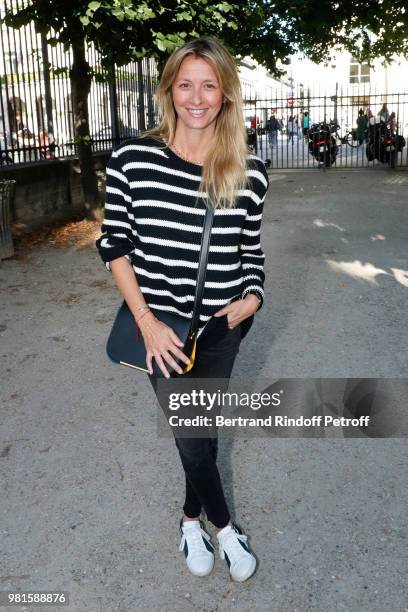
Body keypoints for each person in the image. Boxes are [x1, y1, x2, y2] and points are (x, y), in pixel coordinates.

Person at [96, 36, 269, 583]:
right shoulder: (133, 159)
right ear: (169, 89)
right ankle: (222, 526)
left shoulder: (250, 169)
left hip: (224, 327)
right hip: (161, 330)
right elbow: (114, 244)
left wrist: (252, 301)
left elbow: (252, 253)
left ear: (226, 93)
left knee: (202, 428)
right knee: (192, 432)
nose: (197, 97)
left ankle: (188, 518)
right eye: (186, 84)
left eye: (209, 85)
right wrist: (145, 323)